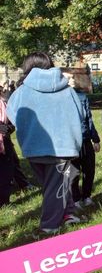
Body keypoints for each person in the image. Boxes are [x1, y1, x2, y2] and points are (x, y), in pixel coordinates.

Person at [7, 52, 83, 234]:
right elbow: (79, 113)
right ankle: (52, 224)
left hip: (33, 147)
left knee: (53, 186)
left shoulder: (21, 91)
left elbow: (12, 114)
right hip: (62, 146)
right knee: (55, 187)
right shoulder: (67, 89)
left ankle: (55, 222)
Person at [66, 72, 101, 208]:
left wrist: (95, 139)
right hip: (71, 141)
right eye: (69, 78)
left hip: (85, 139)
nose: (72, 80)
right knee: (74, 172)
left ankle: (86, 196)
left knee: (89, 169)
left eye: (72, 78)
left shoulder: (82, 96)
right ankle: (75, 199)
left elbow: (89, 119)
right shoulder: (60, 99)